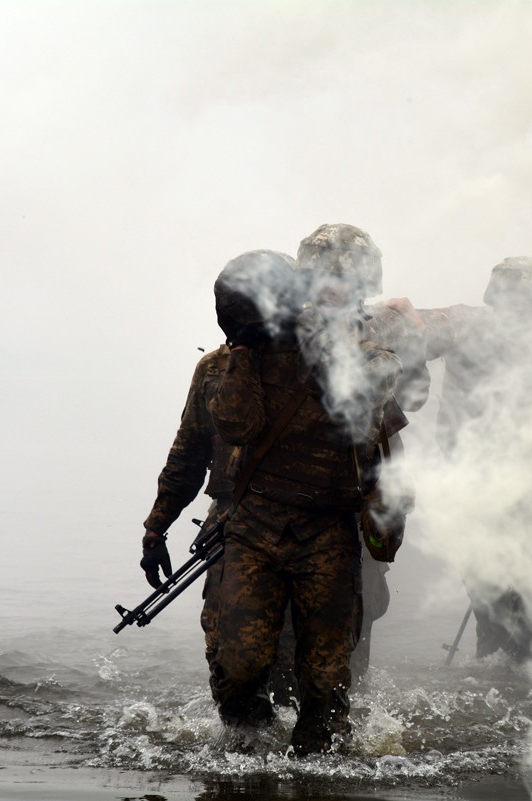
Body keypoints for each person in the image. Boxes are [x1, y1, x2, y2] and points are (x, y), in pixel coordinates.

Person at [207, 223, 403, 754]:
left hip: (330, 529)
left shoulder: (375, 347)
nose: (329, 292)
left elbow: (371, 402)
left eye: (343, 282)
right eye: (318, 281)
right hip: (260, 524)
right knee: (243, 664)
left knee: (329, 676)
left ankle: (319, 759)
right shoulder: (266, 340)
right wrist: (248, 346)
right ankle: (247, 749)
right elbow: (232, 427)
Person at [138, 250, 301, 702]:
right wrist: (156, 527)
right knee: (233, 661)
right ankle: (246, 757)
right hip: (233, 525)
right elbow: (187, 456)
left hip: (309, 527)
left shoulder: (320, 366)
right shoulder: (214, 369)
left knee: (305, 664)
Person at [422, 257, 532, 662]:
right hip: (475, 485)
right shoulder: (467, 341)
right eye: (511, 299)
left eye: (528, 301)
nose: (518, 308)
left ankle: (523, 667)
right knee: (487, 584)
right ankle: (495, 661)